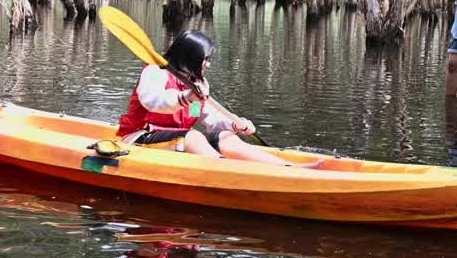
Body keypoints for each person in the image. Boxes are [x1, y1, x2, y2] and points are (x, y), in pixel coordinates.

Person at [117, 30, 312, 166]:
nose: (208, 65)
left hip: (177, 140)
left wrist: (233, 125)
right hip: (140, 137)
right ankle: (227, 171)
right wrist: (186, 97)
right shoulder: (155, 71)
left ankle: (285, 166)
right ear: (190, 57)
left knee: (225, 136)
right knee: (193, 136)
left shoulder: (199, 84)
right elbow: (153, 102)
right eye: (205, 59)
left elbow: (200, 115)